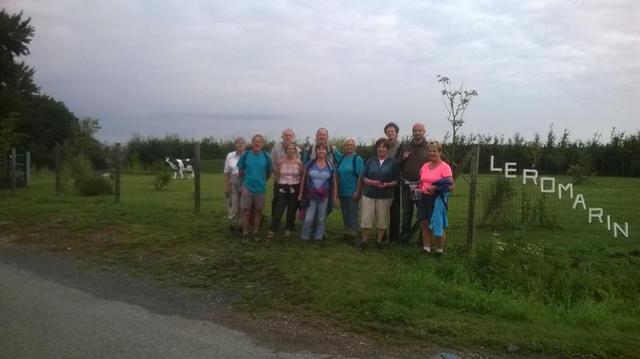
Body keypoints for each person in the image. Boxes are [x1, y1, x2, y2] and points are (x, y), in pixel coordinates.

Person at [358, 138, 400, 248]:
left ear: (388, 149)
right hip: (368, 194)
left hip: (385, 196)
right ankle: (364, 241)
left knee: (382, 219)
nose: (381, 149)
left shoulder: (393, 162)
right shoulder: (370, 161)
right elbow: (362, 177)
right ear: (376, 148)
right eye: (379, 147)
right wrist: (371, 182)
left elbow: (397, 180)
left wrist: (387, 184)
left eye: (384, 147)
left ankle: (379, 241)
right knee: (366, 218)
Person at [417, 141, 454, 255]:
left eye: (434, 151)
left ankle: (439, 250)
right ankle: (426, 248)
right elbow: (422, 181)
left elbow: (452, 186)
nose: (431, 153)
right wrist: (418, 187)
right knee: (424, 223)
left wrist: (436, 189)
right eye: (429, 151)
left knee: (438, 224)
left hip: (437, 199)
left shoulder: (445, 167)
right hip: (423, 198)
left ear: (440, 152)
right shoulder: (425, 166)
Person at [298, 145, 338, 241]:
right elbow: (303, 178)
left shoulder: (330, 165)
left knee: (321, 218)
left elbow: (335, 181)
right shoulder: (310, 164)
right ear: (316, 151)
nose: (321, 151)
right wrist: (300, 193)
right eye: (319, 149)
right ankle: (304, 237)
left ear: (326, 152)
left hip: (324, 197)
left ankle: (318, 238)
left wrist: (335, 195)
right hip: (311, 196)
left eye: (323, 149)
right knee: (308, 218)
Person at [397, 123, 429, 243]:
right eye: (415, 130)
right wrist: (403, 158)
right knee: (406, 213)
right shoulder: (405, 146)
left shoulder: (428, 146)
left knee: (422, 214)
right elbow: (398, 164)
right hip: (407, 185)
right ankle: (405, 238)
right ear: (412, 132)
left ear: (424, 131)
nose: (417, 132)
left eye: (420, 130)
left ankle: (423, 240)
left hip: (422, 187)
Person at [237, 134, 272, 242]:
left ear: (262, 144)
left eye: (259, 142)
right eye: (255, 141)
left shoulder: (266, 156)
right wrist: (245, 182)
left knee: (258, 211)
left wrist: (261, 181)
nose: (257, 143)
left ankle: (256, 232)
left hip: (260, 188)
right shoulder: (246, 155)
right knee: (245, 210)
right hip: (247, 187)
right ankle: (245, 233)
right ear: (252, 143)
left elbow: (269, 172)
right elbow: (241, 171)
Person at [268, 142, 303, 239]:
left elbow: (301, 174)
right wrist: (281, 184)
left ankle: (288, 230)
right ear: (285, 150)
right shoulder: (280, 162)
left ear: (295, 151)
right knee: (278, 210)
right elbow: (278, 175)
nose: (291, 150)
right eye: (289, 148)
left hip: (294, 187)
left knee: (292, 211)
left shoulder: (299, 162)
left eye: (293, 149)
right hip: (282, 187)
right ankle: (272, 230)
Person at [336, 137, 364, 239]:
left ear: (354, 147)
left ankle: (354, 234)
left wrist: (357, 191)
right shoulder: (342, 158)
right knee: (345, 213)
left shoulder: (357, 159)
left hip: (353, 191)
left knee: (353, 214)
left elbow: (361, 177)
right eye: (347, 145)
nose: (349, 147)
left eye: (351, 145)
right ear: (344, 147)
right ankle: (347, 232)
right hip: (342, 191)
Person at [270, 129, 299, 212]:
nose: (287, 137)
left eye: (290, 135)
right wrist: (278, 175)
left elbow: (299, 164)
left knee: (292, 203)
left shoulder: (297, 149)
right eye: (286, 135)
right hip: (279, 180)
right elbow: (272, 162)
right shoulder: (276, 147)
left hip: (293, 182)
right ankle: (275, 220)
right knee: (276, 201)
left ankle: (290, 223)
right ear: (282, 136)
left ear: (293, 137)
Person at [223, 137, 246, 231]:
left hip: (245, 181)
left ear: (245, 145)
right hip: (234, 181)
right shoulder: (230, 155)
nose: (240, 145)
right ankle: (233, 223)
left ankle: (241, 225)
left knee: (243, 205)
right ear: (235, 145)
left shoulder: (248, 155)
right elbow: (226, 172)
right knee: (234, 204)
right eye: (238, 143)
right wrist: (226, 187)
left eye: (242, 143)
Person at [384, 122, 401, 242]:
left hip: (395, 181)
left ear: (397, 134)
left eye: (392, 131)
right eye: (388, 131)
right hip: (383, 181)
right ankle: (382, 234)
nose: (390, 133)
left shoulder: (401, 146)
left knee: (394, 210)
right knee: (382, 209)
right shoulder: (383, 145)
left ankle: (394, 236)